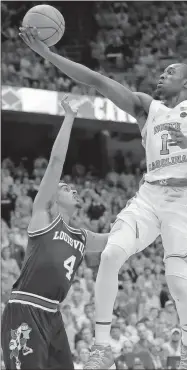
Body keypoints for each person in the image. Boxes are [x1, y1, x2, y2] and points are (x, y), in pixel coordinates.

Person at [19, 26, 187, 370]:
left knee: (176, 281)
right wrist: (48, 55)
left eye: (170, 72)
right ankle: (101, 347)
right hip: (148, 195)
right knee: (111, 254)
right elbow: (97, 80)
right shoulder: (146, 108)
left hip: (182, 200)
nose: (162, 75)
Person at [1, 96, 109, 370]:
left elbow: (119, 240)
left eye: (73, 188)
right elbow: (56, 161)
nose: (71, 188)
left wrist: (148, 212)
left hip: (53, 314)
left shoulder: (83, 237)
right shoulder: (43, 217)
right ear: (52, 198)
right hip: (25, 307)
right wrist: (70, 117)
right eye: (64, 187)